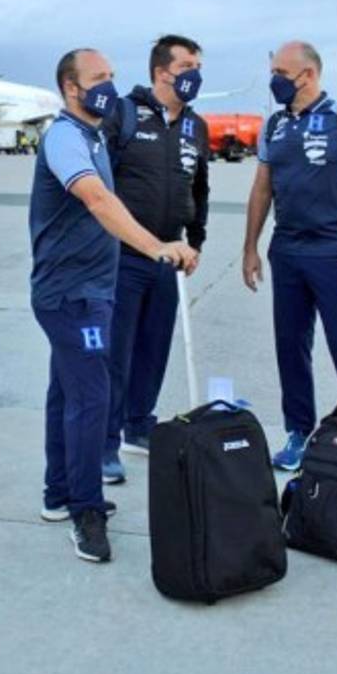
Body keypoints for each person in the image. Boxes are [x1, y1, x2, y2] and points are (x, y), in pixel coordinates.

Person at [29, 48, 196, 563]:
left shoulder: (93, 135)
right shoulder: (63, 137)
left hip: (90, 289)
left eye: (112, 78)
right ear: (70, 88)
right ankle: (86, 509)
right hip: (72, 296)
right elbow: (98, 199)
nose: (109, 87)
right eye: (98, 79)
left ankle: (59, 492)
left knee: (67, 392)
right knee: (92, 397)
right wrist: (156, 246)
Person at [243, 41, 337, 471]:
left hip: (336, 251)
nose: (274, 81)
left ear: (307, 75)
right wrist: (250, 247)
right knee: (290, 346)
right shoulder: (275, 126)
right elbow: (262, 188)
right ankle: (298, 432)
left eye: (281, 72)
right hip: (287, 250)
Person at [100, 35, 210, 484]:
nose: (195, 74)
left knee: (154, 346)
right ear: (162, 71)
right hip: (123, 255)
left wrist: (196, 239)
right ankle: (104, 444)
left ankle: (138, 424)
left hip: (170, 254)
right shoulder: (123, 115)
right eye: (187, 65)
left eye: (198, 65)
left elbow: (198, 187)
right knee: (116, 352)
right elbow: (100, 186)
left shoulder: (195, 126)